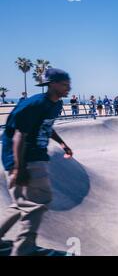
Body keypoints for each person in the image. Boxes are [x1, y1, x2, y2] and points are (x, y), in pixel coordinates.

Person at [0, 68, 74, 256]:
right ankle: (23, 249)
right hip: (26, 157)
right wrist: (19, 167)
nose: (69, 88)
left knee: (20, 203)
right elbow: (19, 136)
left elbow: (46, 127)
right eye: (65, 84)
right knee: (40, 201)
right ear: (52, 84)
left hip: (28, 157)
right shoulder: (34, 105)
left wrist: (63, 144)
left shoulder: (55, 105)